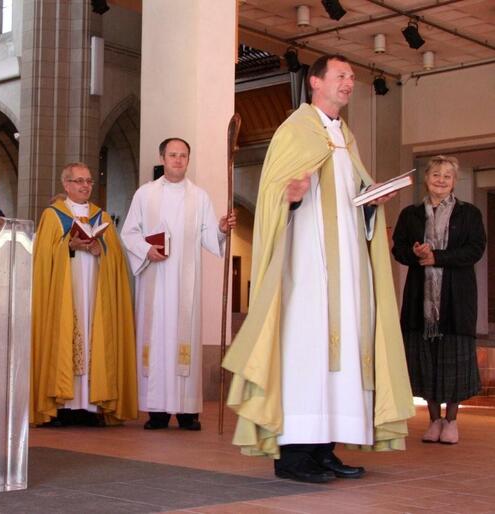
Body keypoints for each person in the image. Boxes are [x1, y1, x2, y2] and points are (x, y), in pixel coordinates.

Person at [222, 54, 413, 483]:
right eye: (341, 75)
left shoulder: (345, 136)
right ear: (315, 82)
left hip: (346, 267)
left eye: (352, 77)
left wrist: (371, 202)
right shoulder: (295, 130)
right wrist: (287, 196)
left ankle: (324, 448)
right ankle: (293, 455)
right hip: (307, 266)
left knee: (343, 353)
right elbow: (272, 191)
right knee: (305, 351)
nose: (349, 82)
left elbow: (351, 196)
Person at [120, 138, 236, 431]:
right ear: (162, 157)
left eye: (183, 156)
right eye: (172, 155)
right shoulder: (145, 194)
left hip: (186, 285)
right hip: (155, 281)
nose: (178, 160)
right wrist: (147, 250)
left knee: (185, 341)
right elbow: (129, 232)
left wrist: (221, 228)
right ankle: (157, 411)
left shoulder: (199, 197)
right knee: (157, 339)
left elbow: (210, 236)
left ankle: (187, 411)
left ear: (188, 159)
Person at [31, 162, 137, 426]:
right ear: (66, 184)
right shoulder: (53, 215)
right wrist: (69, 245)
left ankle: (90, 405)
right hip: (65, 292)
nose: (85, 186)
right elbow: (43, 259)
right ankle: (62, 406)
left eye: (89, 181)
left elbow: (116, 260)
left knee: (94, 339)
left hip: (95, 289)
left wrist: (100, 250)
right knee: (67, 338)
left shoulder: (101, 217)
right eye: (79, 181)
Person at [392, 155, 485, 445]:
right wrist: (417, 253)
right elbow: (399, 250)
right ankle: (433, 421)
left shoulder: (469, 213)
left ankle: (452, 421)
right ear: (427, 178)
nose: (441, 180)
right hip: (421, 299)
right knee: (426, 361)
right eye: (436, 174)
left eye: (447, 176)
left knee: (454, 361)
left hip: (456, 299)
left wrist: (438, 257)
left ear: (454, 181)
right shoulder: (410, 214)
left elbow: (475, 249)